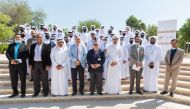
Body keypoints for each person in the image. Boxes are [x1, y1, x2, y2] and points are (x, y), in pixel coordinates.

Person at [6, 33, 28, 98]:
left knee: (22, 80)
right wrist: (11, 60)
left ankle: (23, 93)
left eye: (19, 37)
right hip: (12, 65)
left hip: (22, 65)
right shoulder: (10, 45)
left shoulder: (24, 45)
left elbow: (26, 54)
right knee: (13, 80)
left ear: (21, 38)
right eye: (16, 37)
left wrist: (19, 60)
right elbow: (7, 53)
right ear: (15, 38)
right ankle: (15, 92)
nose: (17, 38)